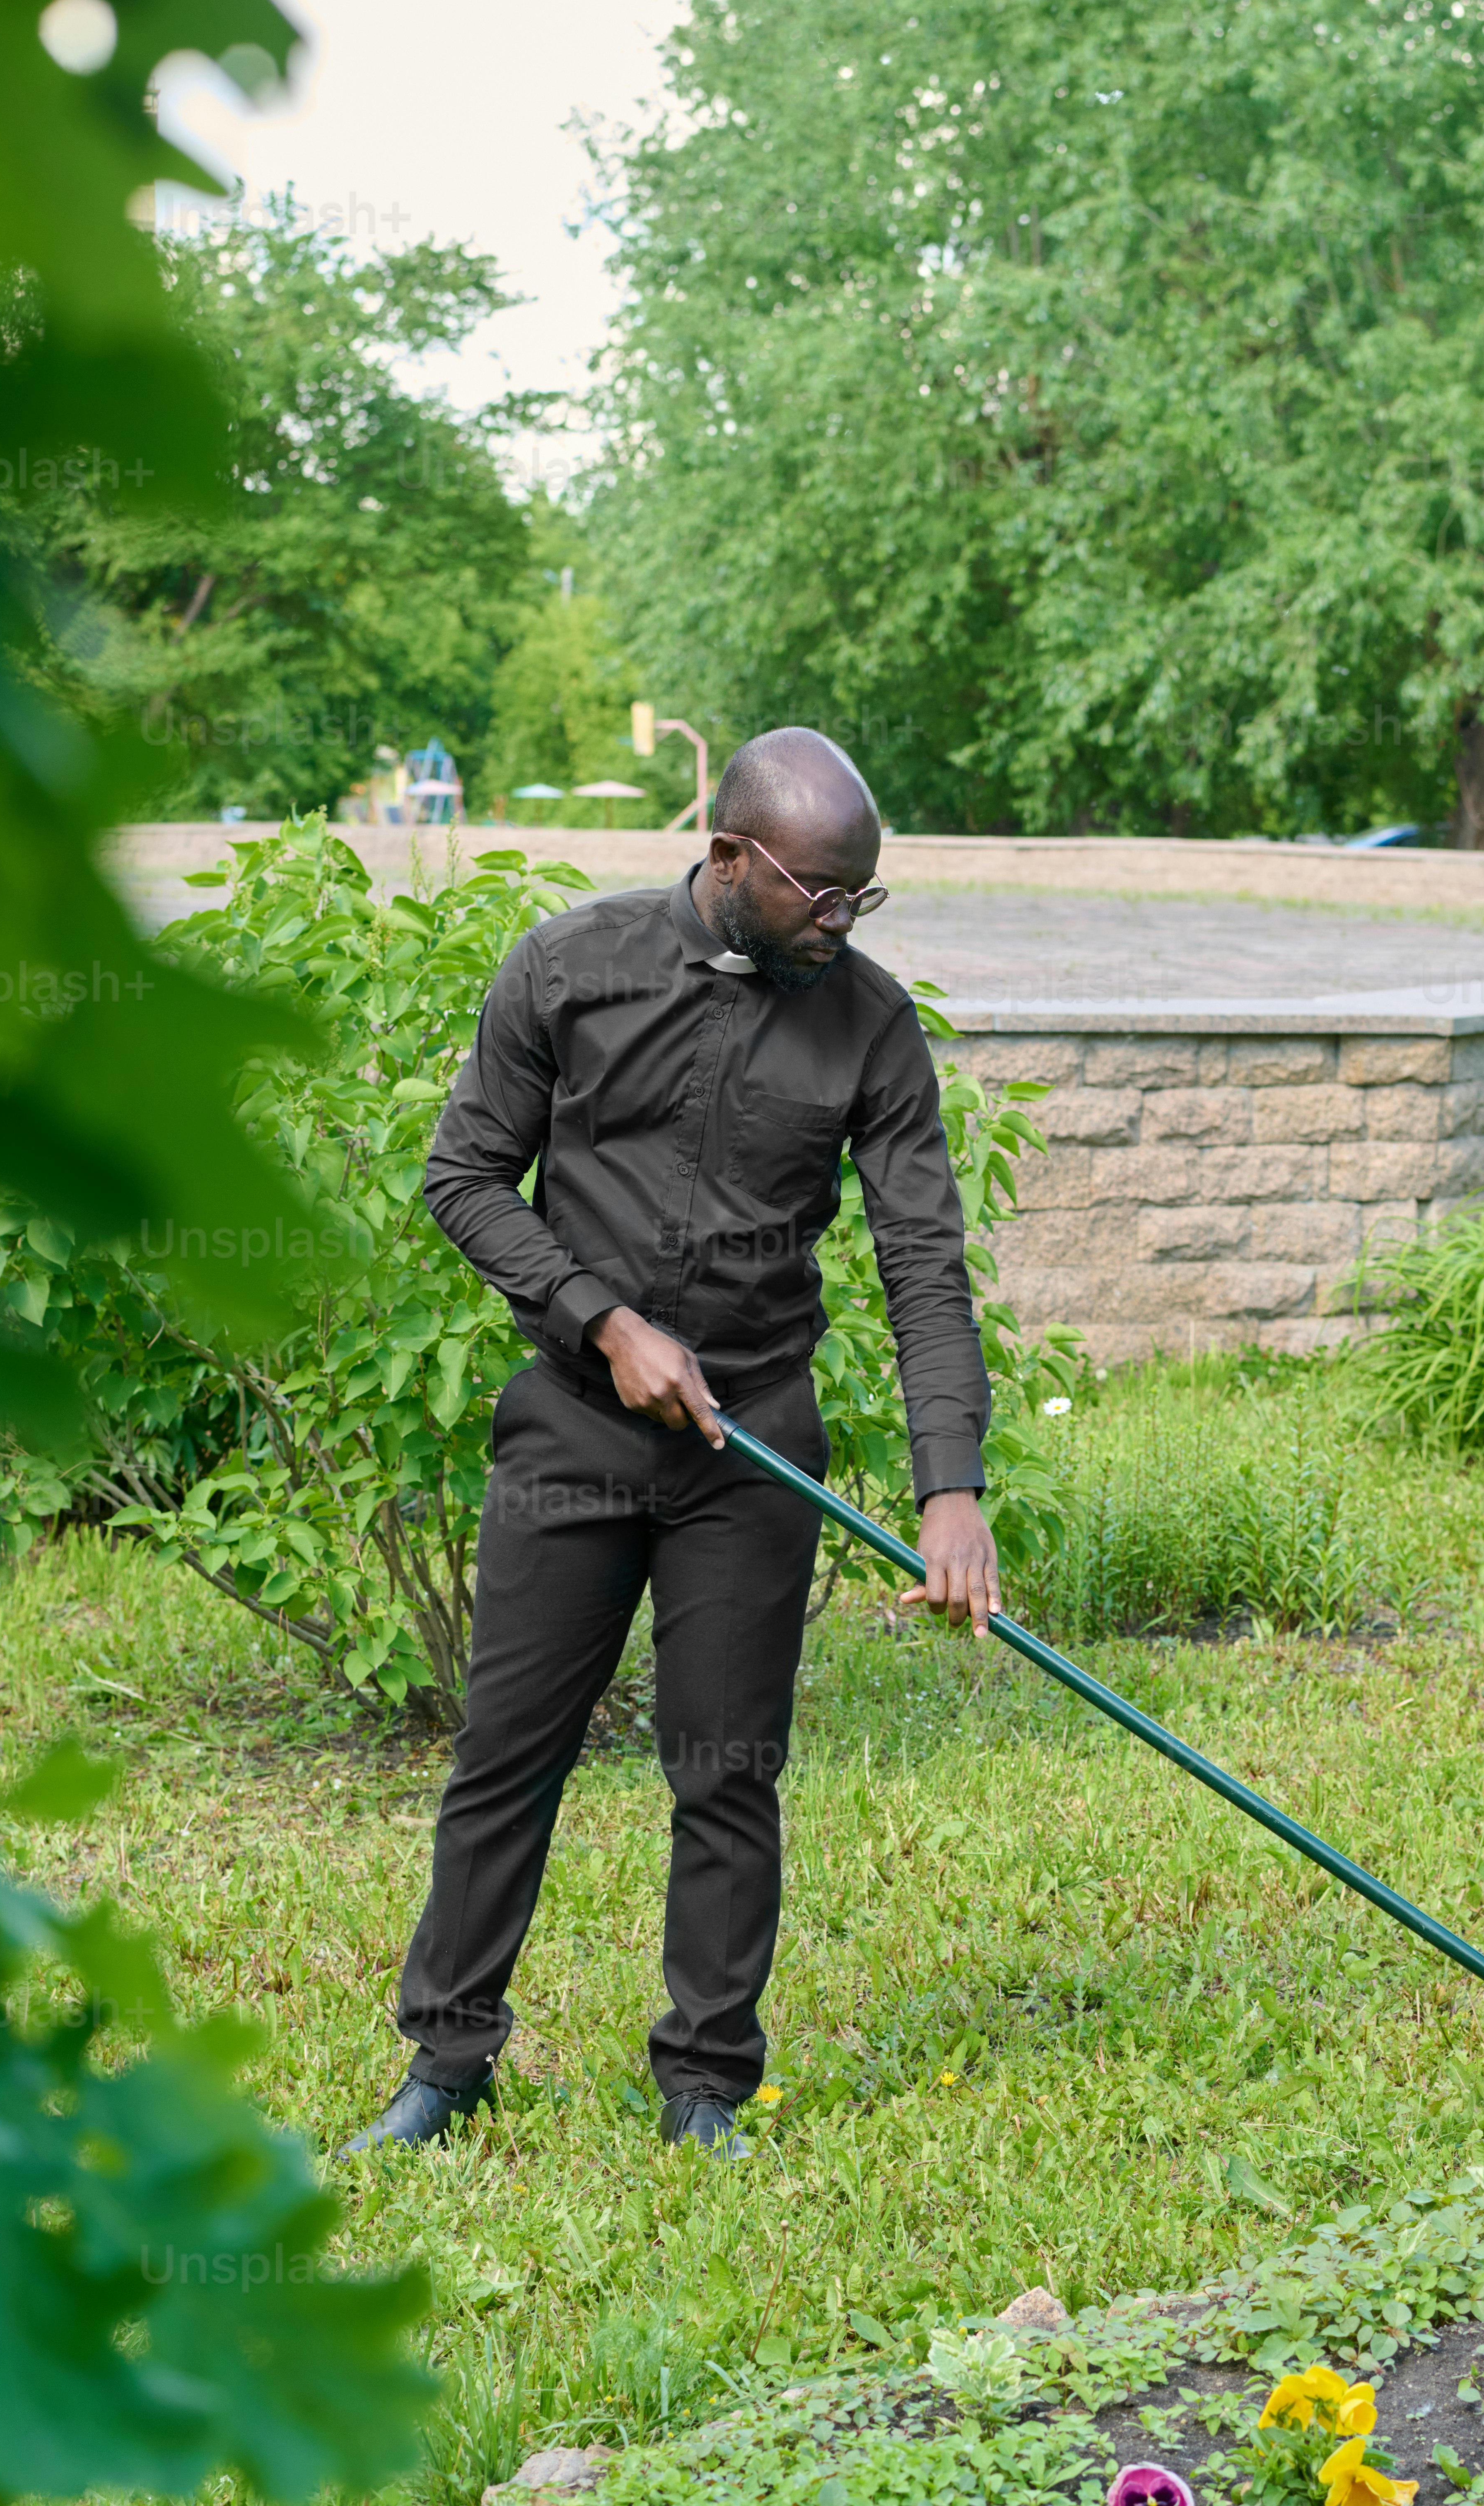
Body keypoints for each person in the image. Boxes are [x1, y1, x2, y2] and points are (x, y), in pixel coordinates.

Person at [338, 726, 1000, 2159]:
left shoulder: (870, 1026)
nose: (840, 921)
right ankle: (447, 2068)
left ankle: (706, 2083)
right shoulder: (568, 968)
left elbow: (924, 1266)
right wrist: (602, 1321)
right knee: (508, 1753)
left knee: (727, 1766)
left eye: (860, 898)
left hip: (751, 1442)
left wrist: (954, 1490)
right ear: (728, 855)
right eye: (820, 892)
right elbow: (463, 1178)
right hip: (574, 1427)